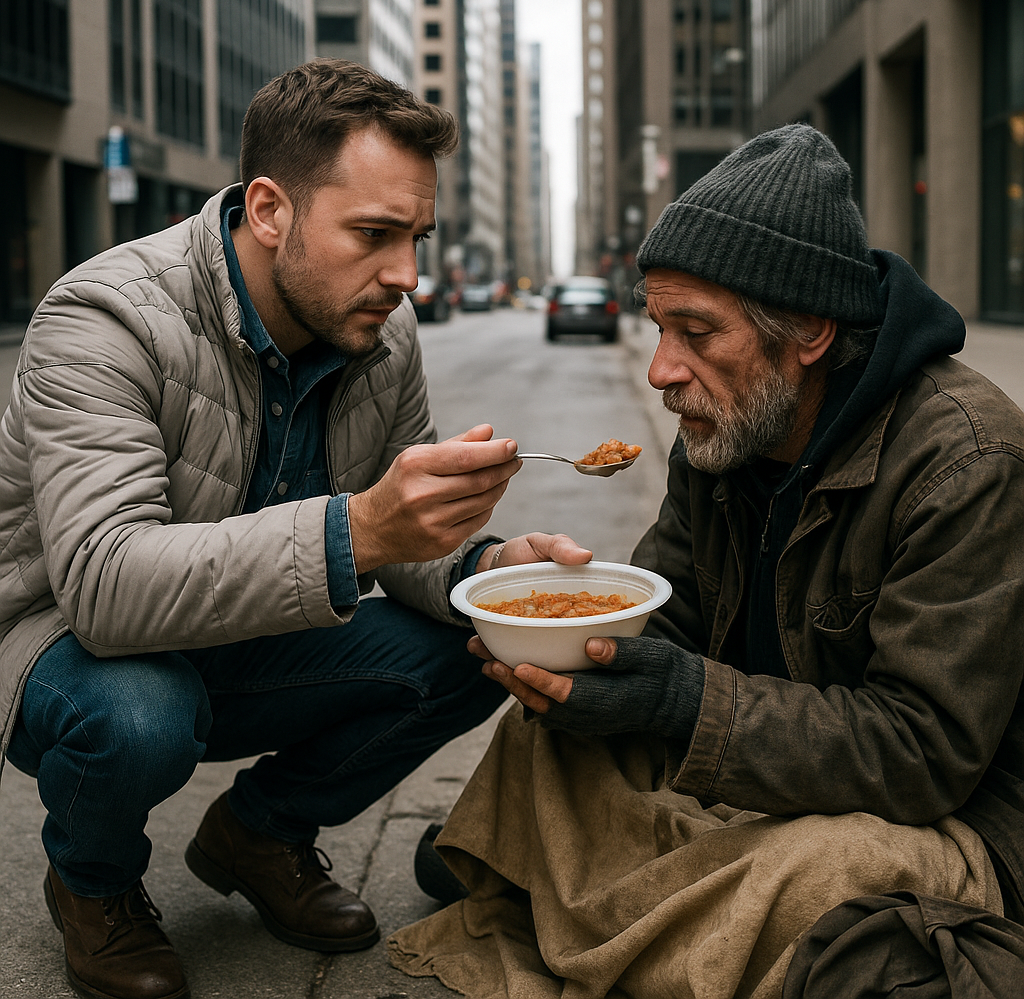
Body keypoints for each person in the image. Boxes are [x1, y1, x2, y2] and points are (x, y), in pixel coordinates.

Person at [0, 59, 591, 999]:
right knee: (142, 715)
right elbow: (105, 590)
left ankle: (261, 834)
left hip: (248, 636)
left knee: (480, 640)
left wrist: (488, 566)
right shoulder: (103, 318)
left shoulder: (379, 331)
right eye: (374, 235)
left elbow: (405, 543)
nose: (405, 275)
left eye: (417, 238)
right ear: (270, 211)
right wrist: (360, 529)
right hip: (69, 647)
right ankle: (94, 886)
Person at [388, 124, 1024, 998]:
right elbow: (674, 619)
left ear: (806, 331)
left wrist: (680, 699)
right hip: (770, 780)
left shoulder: (967, 460)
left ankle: (562, 885)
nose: (660, 370)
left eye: (695, 332)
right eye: (659, 327)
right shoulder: (726, 432)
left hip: (946, 819)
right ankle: (615, 897)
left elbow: (923, 753)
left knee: (819, 873)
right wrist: (578, 659)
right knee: (551, 742)